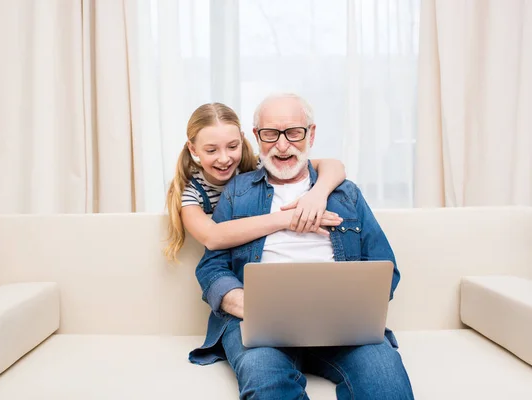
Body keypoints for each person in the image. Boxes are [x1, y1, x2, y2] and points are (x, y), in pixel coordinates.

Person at [189, 93, 414, 400]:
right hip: (260, 327)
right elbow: (211, 266)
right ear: (256, 137)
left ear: (311, 133)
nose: (283, 145)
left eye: (294, 132)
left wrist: (356, 306)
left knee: (386, 381)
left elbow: (384, 265)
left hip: (342, 327)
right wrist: (243, 302)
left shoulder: (344, 194)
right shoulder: (236, 192)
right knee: (266, 384)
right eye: (270, 134)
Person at [165, 102, 347, 261]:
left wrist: (317, 195)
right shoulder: (188, 190)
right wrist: (289, 218)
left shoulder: (257, 165)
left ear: (242, 139)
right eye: (211, 151)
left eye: (232, 146)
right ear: (193, 148)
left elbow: (333, 165)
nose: (224, 158)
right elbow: (213, 237)